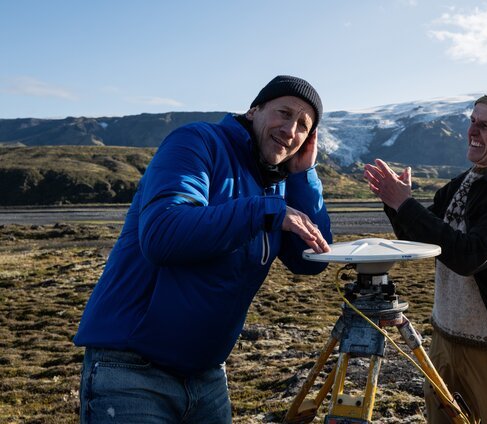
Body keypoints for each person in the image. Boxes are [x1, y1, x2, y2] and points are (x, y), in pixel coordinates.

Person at [73, 75, 333, 423]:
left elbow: (312, 260)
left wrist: (304, 176)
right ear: (254, 110)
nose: (290, 130)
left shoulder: (275, 182)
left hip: (206, 377)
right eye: (284, 113)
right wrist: (264, 211)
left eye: (303, 125)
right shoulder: (197, 142)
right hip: (131, 369)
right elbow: (163, 233)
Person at [364, 89, 487, 423]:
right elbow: (419, 242)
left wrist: (405, 204)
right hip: (443, 340)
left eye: (484, 125)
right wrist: (395, 204)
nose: (471, 131)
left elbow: (470, 256)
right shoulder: (459, 185)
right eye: (472, 121)